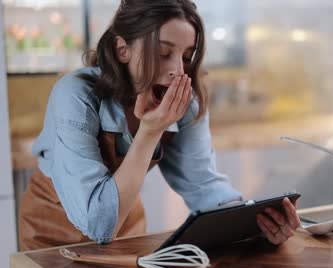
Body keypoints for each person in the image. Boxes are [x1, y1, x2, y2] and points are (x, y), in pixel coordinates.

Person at [18, 0, 300, 251]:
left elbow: (203, 185)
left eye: (187, 56)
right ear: (122, 49)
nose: (178, 69)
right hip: (51, 229)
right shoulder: (75, 94)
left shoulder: (183, 101)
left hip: (124, 224)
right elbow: (98, 224)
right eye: (164, 53)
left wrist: (257, 225)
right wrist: (150, 131)